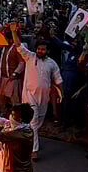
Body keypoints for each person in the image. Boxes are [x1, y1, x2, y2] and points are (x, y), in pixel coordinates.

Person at [11, 23, 63, 160]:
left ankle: (25, 138)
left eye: (43, 49)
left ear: (47, 51)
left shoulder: (52, 63)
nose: (40, 51)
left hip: (44, 97)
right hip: (29, 95)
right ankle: (34, 151)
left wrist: (60, 94)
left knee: (37, 122)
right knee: (33, 122)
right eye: (39, 49)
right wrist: (13, 32)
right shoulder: (30, 57)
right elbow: (18, 45)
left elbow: (58, 80)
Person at [0, 28, 24, 117]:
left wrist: (15, 73)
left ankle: (17, 117)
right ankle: (3, 113)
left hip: (12, 78)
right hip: (2, 77)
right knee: (1, 96)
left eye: (5, 38)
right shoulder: (2, 48)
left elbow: (21, 62)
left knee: (14, 99)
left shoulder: (17, 48)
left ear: (11, 39)